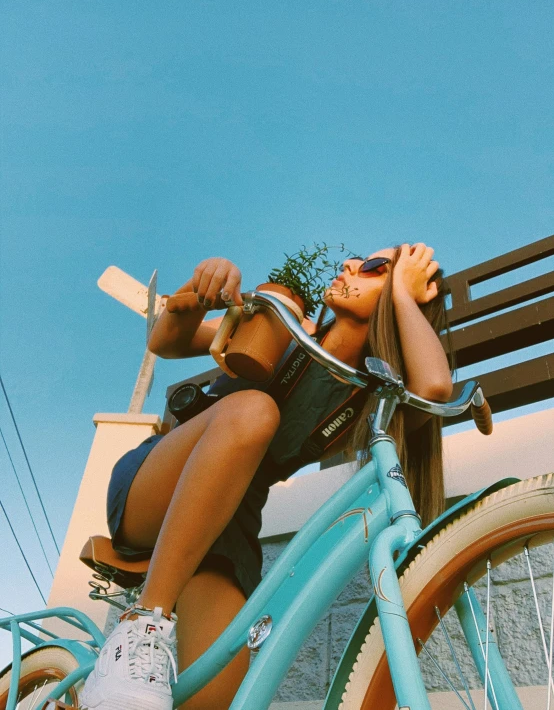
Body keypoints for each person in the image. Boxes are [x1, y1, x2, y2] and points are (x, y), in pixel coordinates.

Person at [80, 243, 454, 710]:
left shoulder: (363, 403)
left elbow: (433, 388)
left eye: (375, 267)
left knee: (216, 700)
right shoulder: (286, 329)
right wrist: (201, 290)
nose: (349, 265)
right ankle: (143, 624)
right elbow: (165, 341)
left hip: (228, 531)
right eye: (356, 258)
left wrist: (401, 294)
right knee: (255, 409)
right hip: (155, 484)